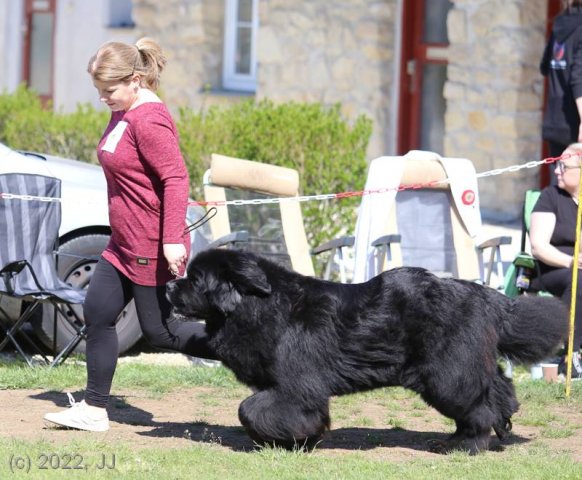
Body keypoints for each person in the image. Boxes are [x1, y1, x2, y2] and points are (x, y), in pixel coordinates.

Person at [44, 38, 218, 432]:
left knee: (162, 331)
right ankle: (94, 408)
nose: (103, 98)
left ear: (135, 80)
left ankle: (250, 347)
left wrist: (172, 238)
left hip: (149, 244)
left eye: (109, 90)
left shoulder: (148, 120)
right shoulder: (124, 110)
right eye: (99, 91)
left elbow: (176, 179)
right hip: (122, 243)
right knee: (99, 313)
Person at [530, 142, 582, 378]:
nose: (557, 171)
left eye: (564, 166)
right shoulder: (551, 196)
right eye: (557, 165)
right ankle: (572, 355)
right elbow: (538, 246)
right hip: (555, 268)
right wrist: (572, 261)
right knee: (580, 280)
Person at [540, 1, 582, 162]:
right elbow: (579, 78)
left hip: (555, 121)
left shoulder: (560, 23)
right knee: (575, 184)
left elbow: (545, 67)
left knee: (559, 181)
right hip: (575, 125)